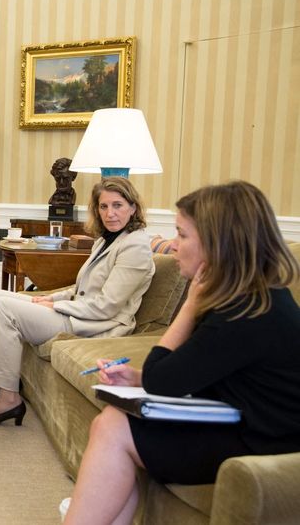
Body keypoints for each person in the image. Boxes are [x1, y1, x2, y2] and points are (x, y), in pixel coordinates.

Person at [63, 181, 300, 525]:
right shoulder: (250, 295)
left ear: (218, 244)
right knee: (113, 422)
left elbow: (163, 380)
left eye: (182, 235)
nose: (172, 246)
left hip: (268, 442)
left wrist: (190, 305)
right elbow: (195, 371)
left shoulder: (244, 311)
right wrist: (137, 378)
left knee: (115, 428)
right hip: (246, 420)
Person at [0, 177, 155, 425]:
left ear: (133, 208)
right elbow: (81, 288)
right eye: (103, 206)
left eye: (118, 205)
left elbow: (106, 305)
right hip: (80, 312)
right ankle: (0, 379)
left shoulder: (135, 247)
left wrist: (55, 306)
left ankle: (9, 400)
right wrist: (51, 297)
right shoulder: (106, 240)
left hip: (98, 324)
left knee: (5, 308)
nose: (110, 213)